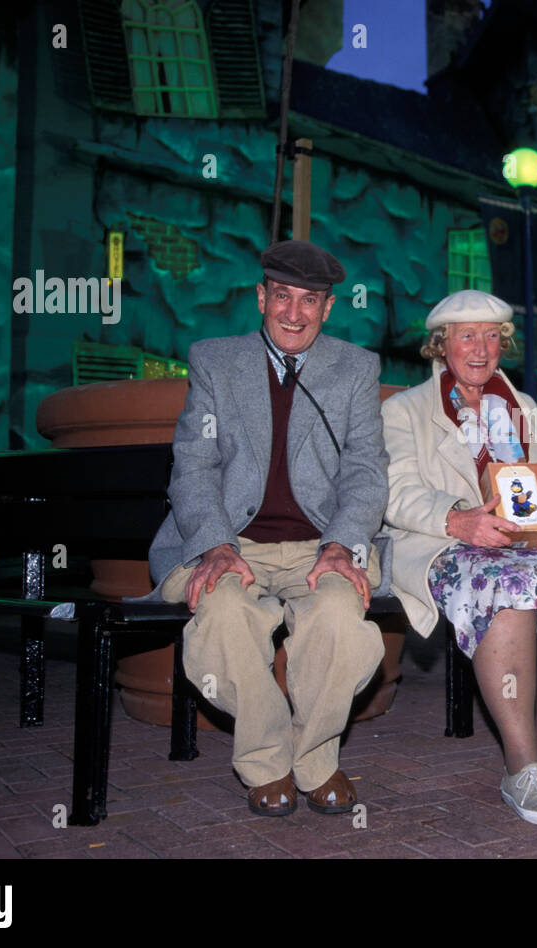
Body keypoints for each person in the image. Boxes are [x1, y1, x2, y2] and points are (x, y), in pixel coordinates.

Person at [146, 239, 389, 818]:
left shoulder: (356, 368)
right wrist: (213, 544)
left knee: (339, 617)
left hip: (320, 546)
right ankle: (268, 762)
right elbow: (195, 463)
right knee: (223, 613)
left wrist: (340, 545)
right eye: (282, 296)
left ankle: (314, 760)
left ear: (328, 308)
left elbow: (365, 470)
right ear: (261, 297)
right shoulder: (214, 360)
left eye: (310, 300)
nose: (295, 313)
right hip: (234, 541)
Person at [381, 289, 537, 826]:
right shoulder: (403, 410)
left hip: (529, 544)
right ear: (440, 345)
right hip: (448, 544)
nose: (481, 348)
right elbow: (394, 493)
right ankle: (522, 769)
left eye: (493, 336)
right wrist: (459, 518)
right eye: (467, 336)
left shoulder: (528, 408)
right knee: (507, 590)